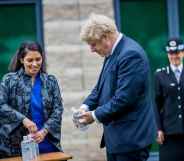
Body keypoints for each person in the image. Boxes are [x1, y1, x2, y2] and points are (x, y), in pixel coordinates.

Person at [73, 13, 156, 161]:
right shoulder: (112, 53)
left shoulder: (131, 54)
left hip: (131, 141)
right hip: (118, 140)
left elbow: (124, 99)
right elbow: (99, 88)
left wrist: (93, 116)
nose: (91, 49)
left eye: (93, 44)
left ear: (105, 37)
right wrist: (84, 107)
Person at [0, 41, 63, 158]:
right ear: (21, 60)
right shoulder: (9, 80)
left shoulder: (50, 81)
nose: (35, 64)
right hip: (15, 147)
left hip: (47, 143)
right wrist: (23, 120)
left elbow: (58, 110)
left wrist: (44, 131)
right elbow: (1, 105)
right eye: (30, 60)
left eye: (38, 59)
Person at [154, 38, 184, 161]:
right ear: (167, 54)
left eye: (177, 53)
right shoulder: (160, 75)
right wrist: (158, 129)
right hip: (169, 133)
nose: (174, 56)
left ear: (182, 53)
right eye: (171, 53)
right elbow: (156, 104)